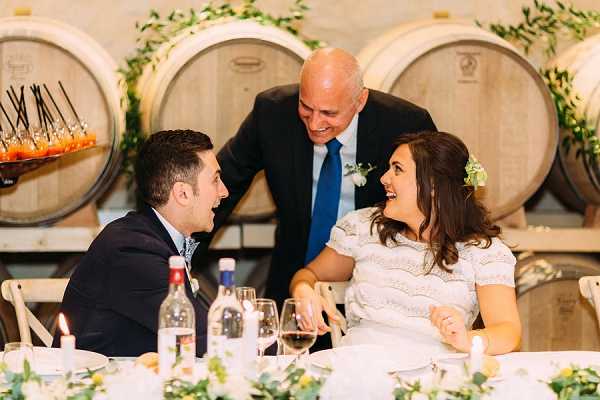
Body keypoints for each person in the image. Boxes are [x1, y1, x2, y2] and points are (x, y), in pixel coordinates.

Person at [193, 47, 436, 310]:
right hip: (294, 277)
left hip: (376, 286)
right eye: (306, 108)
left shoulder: (404, 124)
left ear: (360, 101)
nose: (314, 123)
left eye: (329, 113)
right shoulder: (272, 113)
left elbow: (437, 200)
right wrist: (182, 257)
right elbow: (222, 185)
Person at [290, 131, 521, 356]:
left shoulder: (483, 253)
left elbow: (508, 332)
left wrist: (465, 339)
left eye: (397, 170)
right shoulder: (364, 228)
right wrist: (303, 290)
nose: (384, 178)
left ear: (432, 186)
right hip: (358, 369)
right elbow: (307, 274)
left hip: (431, 381)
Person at [55, 130, 229, 357]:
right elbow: (203, 337)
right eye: (215, 179)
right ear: (183, 193)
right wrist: (275, 346)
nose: (224, 192)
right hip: (94, 387)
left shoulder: (147, 236)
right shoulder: (132, 250)